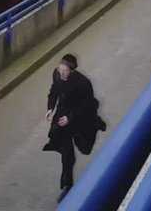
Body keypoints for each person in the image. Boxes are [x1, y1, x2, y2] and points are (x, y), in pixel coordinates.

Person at [43, 54, 106, 202]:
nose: (61, 73)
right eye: (60, 69)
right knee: (66, 152)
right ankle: (67, 184)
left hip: (80, 116)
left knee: (85, 148)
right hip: (64, 112)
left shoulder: (83, 83)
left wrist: (71, 118)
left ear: (71, 71)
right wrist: (51, 108)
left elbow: (88, 105)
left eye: (65, 70)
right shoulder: (57, 74)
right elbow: (54, 91)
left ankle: (96, 124)